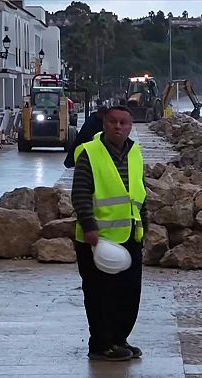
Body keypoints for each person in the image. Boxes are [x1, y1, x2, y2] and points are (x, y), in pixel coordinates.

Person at [71, 105, 147, 362]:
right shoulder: (89, 153)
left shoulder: (135, 153)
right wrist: (90, 227)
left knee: (128, 294)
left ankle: (118, 339)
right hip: (97, 239)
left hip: (129, 236)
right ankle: (101, 345)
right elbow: (80, 193)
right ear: (104, 123)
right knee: (100, 295)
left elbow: (139, 195)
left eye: (123, 123)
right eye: (113, 122)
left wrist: (144, 228)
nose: (118, 127)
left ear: (130, 126)